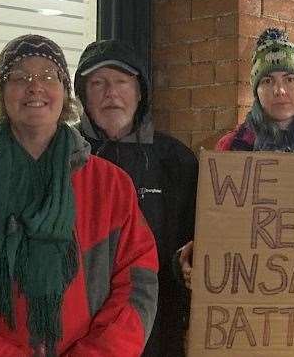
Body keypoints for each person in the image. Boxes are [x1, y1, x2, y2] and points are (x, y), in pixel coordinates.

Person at [0, 35, 159, 357]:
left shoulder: (111, 185)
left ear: (65, 94)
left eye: (49, 76)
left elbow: (138, 285)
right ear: (1, 95)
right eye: (19, 77)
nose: (35, 87)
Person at [178, 27, 294, 288]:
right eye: (267, 81)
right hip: (252, 283)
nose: (279, 90)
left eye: (290, 78)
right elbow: (217, 220)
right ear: (256, 92)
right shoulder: (232, 148)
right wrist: (199, 248)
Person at [74, 39, 198, 357]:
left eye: (121, 82)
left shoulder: (175, 160)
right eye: (98, 83)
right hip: (81, 330)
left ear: (140, 91)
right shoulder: (62, 158)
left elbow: (199, 235)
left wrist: (190, 258)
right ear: (83, 95)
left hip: (158, 325)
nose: (110, 93)